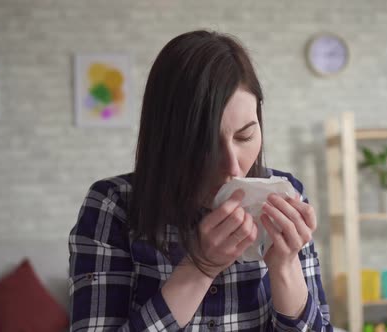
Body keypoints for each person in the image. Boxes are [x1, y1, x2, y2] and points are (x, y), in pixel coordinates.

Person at [68, 30, 333, 331]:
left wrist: (285, 267)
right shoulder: (113, 206)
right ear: (166, 138)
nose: (233, 167)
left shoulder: (286, 196)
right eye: (205, 145)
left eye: (245, 135)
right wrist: (200, 267)